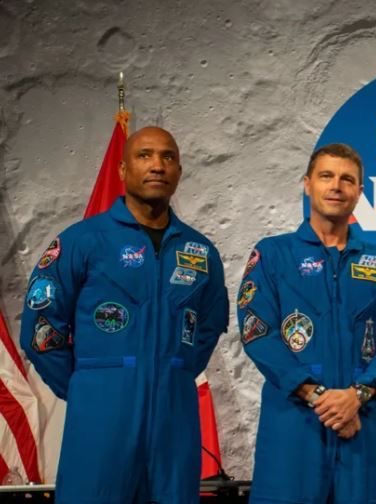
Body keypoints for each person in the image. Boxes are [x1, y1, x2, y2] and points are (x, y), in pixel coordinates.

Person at [20, 126, 229, 503]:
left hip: (173, 420)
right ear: (122, 169)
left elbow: (209, 326)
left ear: (179, 171)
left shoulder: (200, 252)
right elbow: (41, 328)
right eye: (144, 155)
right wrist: (88, 385)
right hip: (101, 420)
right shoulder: (82, 241)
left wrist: (172, 372)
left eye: (167, 157)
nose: (157, 165)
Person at [239, 143, 376, 503]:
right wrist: (318, 396)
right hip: (294, 425)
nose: (336, 186)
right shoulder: (273, 255)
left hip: (359, 423)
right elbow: (258, 333)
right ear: (307, 184)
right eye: (326, 176)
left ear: (359, 192)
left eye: (347, 179)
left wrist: (358, 396)